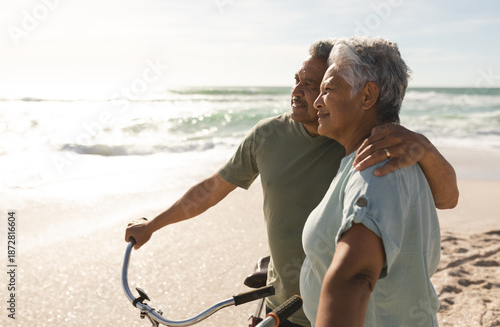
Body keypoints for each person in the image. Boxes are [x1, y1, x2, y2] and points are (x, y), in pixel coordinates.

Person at [125, 39, 458, 327]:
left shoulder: (374, 151)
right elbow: (212, 188)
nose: (302, 94)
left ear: (364, 96)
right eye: (297, 81)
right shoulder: (270, 134)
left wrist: (425, 149)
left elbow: (355, 276)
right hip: (283, 301)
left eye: (320, 86)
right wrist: (152, 225)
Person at [300, 36, 442, 327]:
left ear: (367, 96)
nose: (316, 102)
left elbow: (354, 277)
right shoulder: (394, 156)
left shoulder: (376, 168)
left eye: (328, 89)